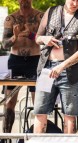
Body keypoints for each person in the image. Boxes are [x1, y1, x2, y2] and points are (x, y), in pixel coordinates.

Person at [33, 0, 78, 134]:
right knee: (40, 112)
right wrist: (45, 39)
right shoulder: (51, 11)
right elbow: (37, 37)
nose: (75, 3)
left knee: (70, 115)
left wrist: (62, 66)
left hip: (70, 71)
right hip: (47, 68)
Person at [2, 0, 43, 134]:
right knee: (9, 102)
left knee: (37, 102)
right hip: (15, 61)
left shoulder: (40, 16)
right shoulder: (11, 18)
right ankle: (6, 139)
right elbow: (4, 44)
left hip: (35, 59)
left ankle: (38, 136)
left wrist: (31, 34)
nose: (24, 1)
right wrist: (14, 37)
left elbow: (47, 39)